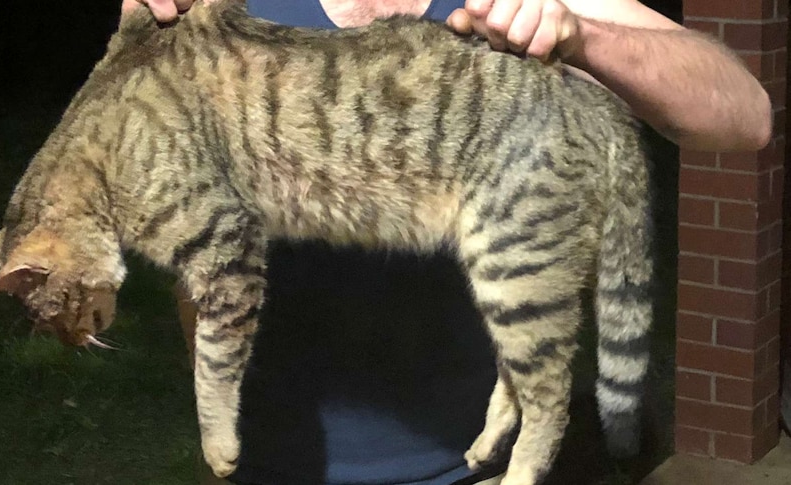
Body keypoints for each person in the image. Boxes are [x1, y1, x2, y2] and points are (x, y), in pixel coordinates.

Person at [120, 1, 773, 485]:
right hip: (273, 464)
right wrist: (142, 42)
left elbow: (744, 112)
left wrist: (581, 34)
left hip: (472, 465)